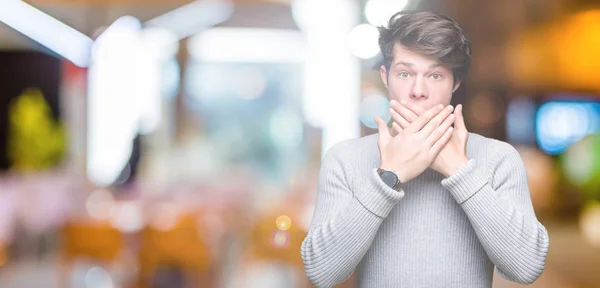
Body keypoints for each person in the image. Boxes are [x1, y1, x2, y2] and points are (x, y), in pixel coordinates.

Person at [300, 10, 549, 288]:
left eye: (435, 75)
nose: (418, 90)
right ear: (385, 76)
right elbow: (321, 273)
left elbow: (526, 268)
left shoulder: (498, 158)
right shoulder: (345, 159)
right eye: (405, 73)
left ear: (455, 82)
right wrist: (389, 175)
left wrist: (460, 169)